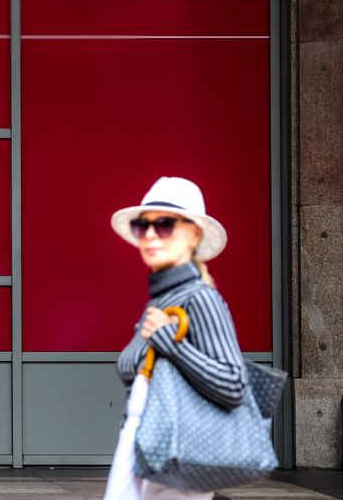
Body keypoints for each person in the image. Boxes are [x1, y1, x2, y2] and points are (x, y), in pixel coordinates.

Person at [103, 177, 247, 500]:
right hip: (145, 443)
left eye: (165, 225)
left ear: (193, 235)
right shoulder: (161, 301)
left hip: (180, 448)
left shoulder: (200, 298)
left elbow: (234, 384)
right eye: (143, 225)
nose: (150, 235)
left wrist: (168, 340)